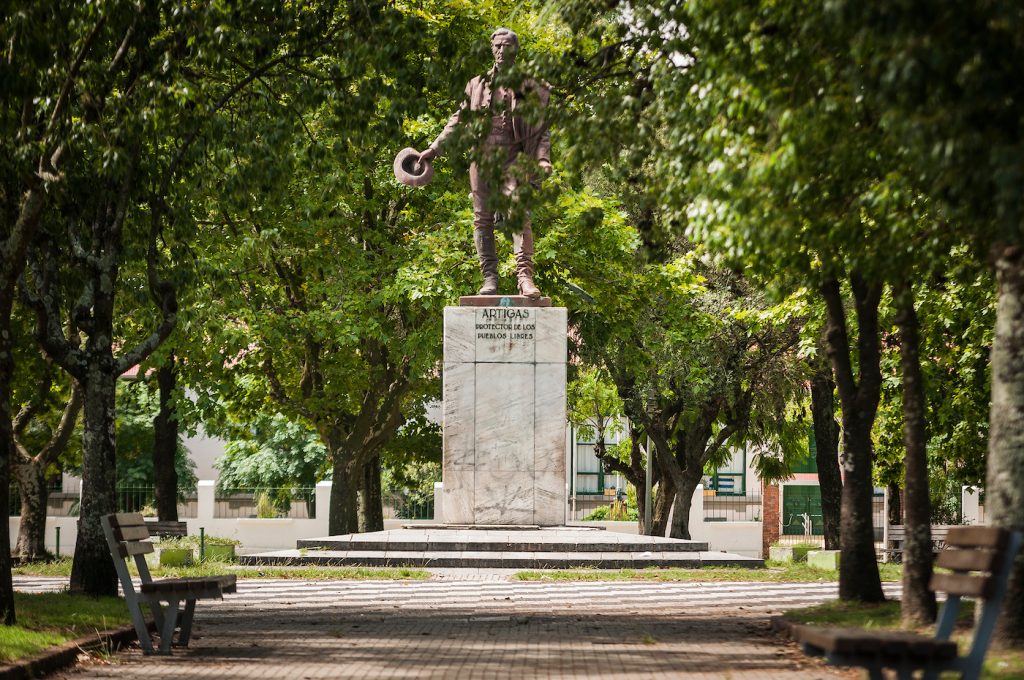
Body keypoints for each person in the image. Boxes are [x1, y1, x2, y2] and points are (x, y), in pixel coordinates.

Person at [418, 27, 551, 299]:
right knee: (482, 219)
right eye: (498, 46)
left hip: (514, 160)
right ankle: (489, 277)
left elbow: (541, 131)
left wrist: (543, 159)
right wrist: (433, 149)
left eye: (507, 46)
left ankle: (524, 277)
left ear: (516, 51)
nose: (502, 51)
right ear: (492, 49)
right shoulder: (475, 85)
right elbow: (457, 121)